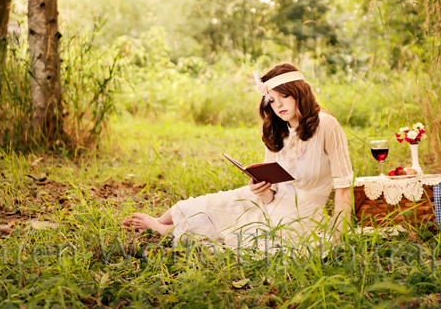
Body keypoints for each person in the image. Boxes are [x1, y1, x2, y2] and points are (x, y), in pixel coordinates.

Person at [122, 63, 353, 246]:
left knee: (243, 236)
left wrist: (338, 235)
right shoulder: (277, 129)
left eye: (284, 96)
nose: (278, 105)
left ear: (299, 93)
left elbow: (344, 186)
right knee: (213, 204)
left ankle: (163, 229)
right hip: (272, 203)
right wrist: (261, 190)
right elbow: (269, 195)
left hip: (303, 213)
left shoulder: (327, 125)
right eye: (272, 100)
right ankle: (161, 220)